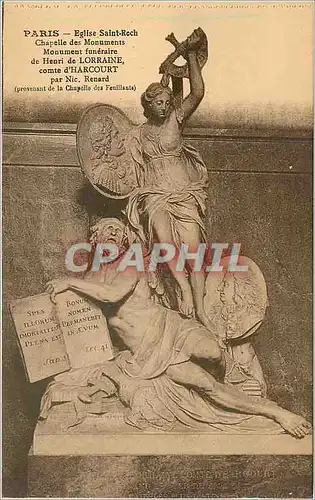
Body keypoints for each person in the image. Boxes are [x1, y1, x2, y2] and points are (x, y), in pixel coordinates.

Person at [46, 218, 311, 438]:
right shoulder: (88, 279)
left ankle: (236, 384)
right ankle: (276, 412)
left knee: (213, 353)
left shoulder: (130, 261)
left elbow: (111, 295)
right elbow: (77, 324)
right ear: (95, 238)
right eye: (108, 228)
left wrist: (68, 283)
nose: (114, 233)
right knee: (206, 385)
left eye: (118, 229)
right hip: (148, 352)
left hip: (168, 325)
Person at [125, 29, 212, 331]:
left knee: (193, 251)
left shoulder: (177, 118)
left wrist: (189, 54)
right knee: (164, 242)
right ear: (147, 105)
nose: (163, 106)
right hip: (156, 195)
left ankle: (200, 309)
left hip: (184, 194)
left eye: (166, 101)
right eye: (157, 103)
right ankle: (184, 290)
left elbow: (197, 92)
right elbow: (130, 171)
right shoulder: (137, 134)